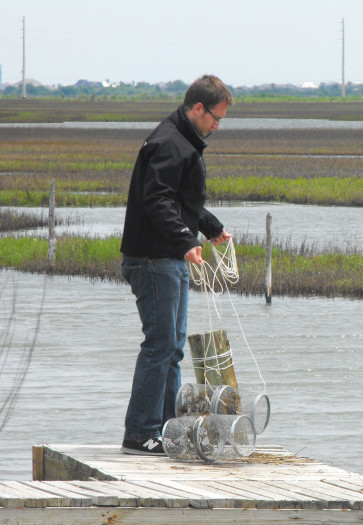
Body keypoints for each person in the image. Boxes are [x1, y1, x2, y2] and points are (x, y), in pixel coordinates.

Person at [119, 74, 233, 455]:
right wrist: (187, 241)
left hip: (168, 257)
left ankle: (169, 430)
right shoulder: (170, 142)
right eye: (215, 117)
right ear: (197, 108)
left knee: (173, 348)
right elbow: (157, 201)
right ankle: (140, 434)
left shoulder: (183, 140)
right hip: (153, 259)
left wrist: (210, 228)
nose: (217, 126)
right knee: (160, 345)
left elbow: (183, 203)